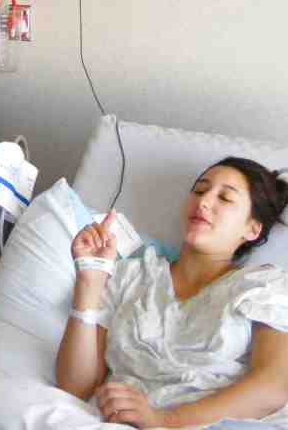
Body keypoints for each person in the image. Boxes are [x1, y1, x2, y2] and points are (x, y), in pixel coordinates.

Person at [56, 156, 288, 428]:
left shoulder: (262, 286)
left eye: (224, 198)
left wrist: (165, 421)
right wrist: (89, 282)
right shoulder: (131, 276)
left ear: (252, 229)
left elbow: (273, 386)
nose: (203, 201)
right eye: (200, 190)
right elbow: (76, 387)